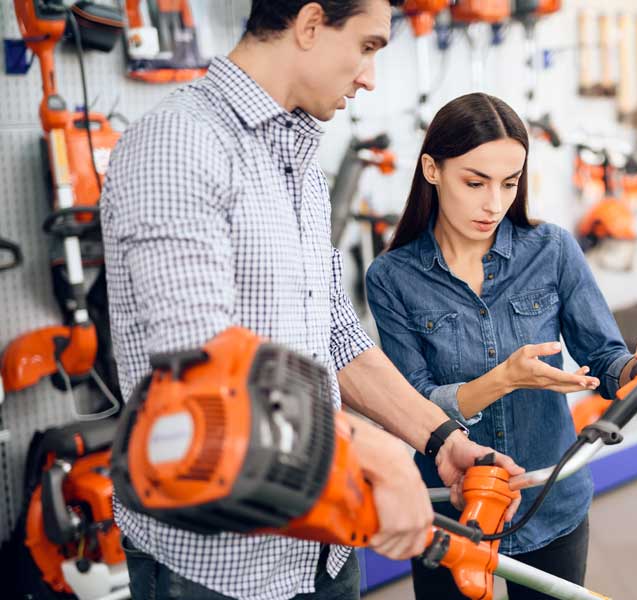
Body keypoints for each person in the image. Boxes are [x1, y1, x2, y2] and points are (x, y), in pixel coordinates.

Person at [100, 4, 523, 599]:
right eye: (368, 46)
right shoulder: (178, 145)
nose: (371, 75)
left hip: (321, 550)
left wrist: (441, 438)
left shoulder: (298, 162)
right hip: (217, 565)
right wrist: (371, 450)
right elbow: (196, 371)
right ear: (309, 24)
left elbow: (337, 337)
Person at [365, 92, 637, 600]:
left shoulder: (553, 250)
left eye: (509, 183)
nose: (494, 203)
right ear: (431, 169)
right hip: (451, 512)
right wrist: (504, 379)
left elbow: (604, 359)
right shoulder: (391, 277)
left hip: (549, 500)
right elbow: (412, 405)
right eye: (475, 182)